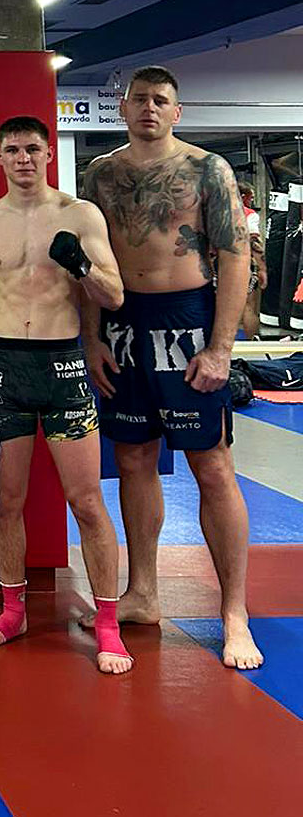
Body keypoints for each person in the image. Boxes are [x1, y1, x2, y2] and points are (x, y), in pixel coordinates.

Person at [82, 65, 262, 670]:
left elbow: (235, 258)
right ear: (123, 107)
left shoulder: (208, 169)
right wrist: (91, 338)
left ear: (177, 111)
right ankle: (142, 592)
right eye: (139, 99)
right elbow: (91, 263)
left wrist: (221, 348)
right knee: (133, 459)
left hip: (189, 317)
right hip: (123, 320)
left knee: (212, 464)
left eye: (161, 100)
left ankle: (234, 613)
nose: (149, 108)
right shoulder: (100, 174)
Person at [0, 116, 132, 674]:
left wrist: (80, 265)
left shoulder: (81, 215)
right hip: (4, 368)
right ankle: (14, 611)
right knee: (7, 501)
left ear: (49, 153)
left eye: (33, 148)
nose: (24, 159)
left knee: (87, 501)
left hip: (63, 366)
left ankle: (108, 624)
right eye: (13, 150)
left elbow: (114, 294)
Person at [239, 183, 264, 338]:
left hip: (216, 264)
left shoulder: (214, 211)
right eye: (251, 198)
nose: (251, 201)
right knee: (249, 305)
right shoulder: (249, 214)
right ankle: (250, 340)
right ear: (243, 197)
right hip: (241, 262)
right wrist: (262, 267)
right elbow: (253, 240)